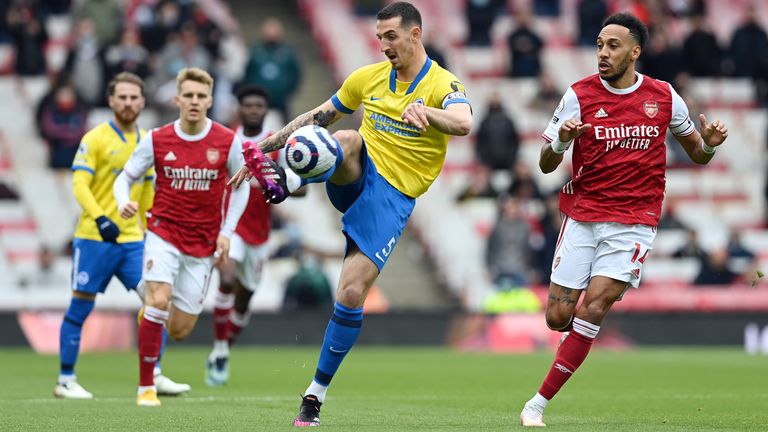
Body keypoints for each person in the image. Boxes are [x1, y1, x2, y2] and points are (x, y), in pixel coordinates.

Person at [229, 2, 472, 426]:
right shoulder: (366, 77)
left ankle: (314, 395)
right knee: (344, 135)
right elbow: (316, 115)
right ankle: (286, 181)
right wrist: (267, 147)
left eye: (391, 37)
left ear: (416, 34)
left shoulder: (441, 83)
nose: (383, 47)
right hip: (356, 171)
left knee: (350, 294)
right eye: (379, 38)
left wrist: (427, 114)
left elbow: (464, 121)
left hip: (393, 198)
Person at [518, 13, 728, 427]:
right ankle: (574, 343)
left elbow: (697, 153)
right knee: (557, 317)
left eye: (613, 46)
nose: (603, 53)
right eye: (599, 44)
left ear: (635, 52)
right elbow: (545, 165)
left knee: (594, 307)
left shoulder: (665, 97)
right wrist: (562, 139)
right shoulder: (578, 95)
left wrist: (711, 146)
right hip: (582, 215)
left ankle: (536, 404)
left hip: (634, 221)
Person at [113, 67, 250, 407]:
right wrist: (122, 201)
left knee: (179, 330)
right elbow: (123, 178)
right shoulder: (157, 139)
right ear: (177, 99)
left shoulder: (226, 140)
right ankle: (146, 387)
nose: (194, 101)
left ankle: (153, 308)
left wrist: (226, 233)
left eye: (201, 96)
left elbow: (242, 185)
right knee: (158, 300)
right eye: (188, 95)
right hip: (163, 231)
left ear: (210, 100)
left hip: (203, 244)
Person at [55, 72, 189, 399]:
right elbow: (80, 185)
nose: (128, 103)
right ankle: (65, 379)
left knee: (157, 302)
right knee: (80, 307)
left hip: (133, 241)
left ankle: (153, 372)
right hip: (94, 238)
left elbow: (146, 190)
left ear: (143, 102)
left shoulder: (149, 141)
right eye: (123, 97)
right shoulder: (95, 138)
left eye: (134, 97)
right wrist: (100, 218)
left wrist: (148, 227)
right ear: (111, 100)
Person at [205, 85, 304, 386]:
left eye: (258, 105)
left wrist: (279, 182)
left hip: (260, 235)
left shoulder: (278, 143)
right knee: (225, 278)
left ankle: (224, 348)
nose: (253, 110)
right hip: (230, 227)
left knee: (245, 300)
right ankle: (220, 349)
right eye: (247, 105)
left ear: (265, 109)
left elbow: (301, 188)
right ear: (240, 108)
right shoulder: (228, 141)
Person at [242, 18, 302, 122]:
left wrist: (287, 92)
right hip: (259, 100)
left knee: (287, 127)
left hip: (281, 101)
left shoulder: (287, 52)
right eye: (269, 31)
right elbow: (247, 73)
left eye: (274, 31)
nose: (271, 34)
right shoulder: (255, 51)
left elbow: (295, 74)